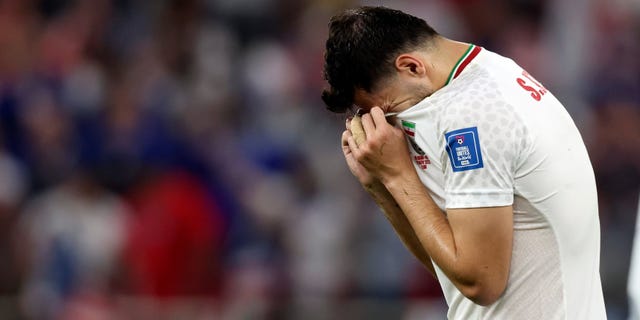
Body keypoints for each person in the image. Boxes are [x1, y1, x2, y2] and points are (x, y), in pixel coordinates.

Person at [321, 6, 606, 319]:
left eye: (390, 112)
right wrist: (379, 186)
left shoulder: (471, 115)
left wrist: (397, 176)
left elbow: (480, 282)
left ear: (412, 67)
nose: (392, 128)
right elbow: (453, 273)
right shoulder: (495, 72)